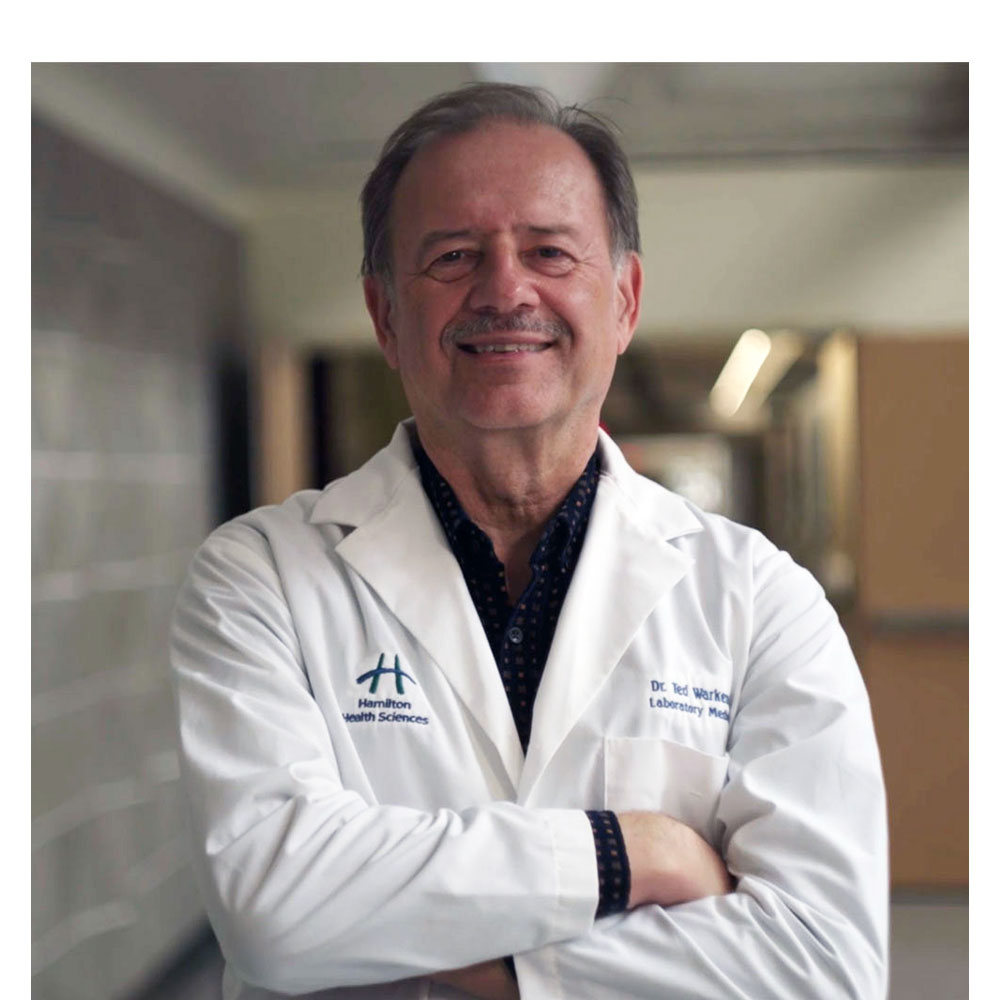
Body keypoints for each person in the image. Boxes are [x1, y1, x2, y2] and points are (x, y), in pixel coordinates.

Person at [169, 83, 888, 1000]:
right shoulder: (260, 576)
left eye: (549, 251)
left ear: (624, 301)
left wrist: (488, 971)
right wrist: (634, 852)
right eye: (453, 256)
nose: (505, 291)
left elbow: (823, 965)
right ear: (386, 316)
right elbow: (272, 906)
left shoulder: (760, 601)